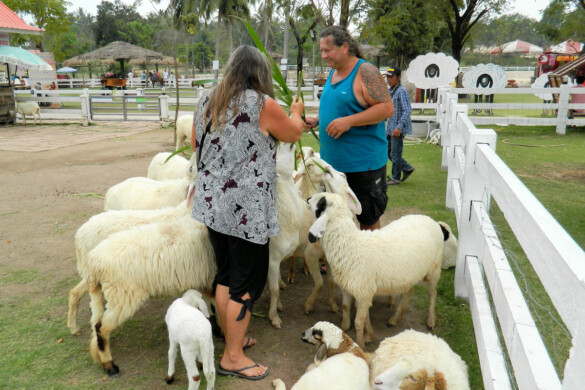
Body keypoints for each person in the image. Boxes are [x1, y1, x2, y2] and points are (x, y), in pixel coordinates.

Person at [190, 45, 305, 381]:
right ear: (261, 72)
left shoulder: (206, 98)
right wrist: (296, 111)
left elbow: (197, 141)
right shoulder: (262, 104)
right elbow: (293, 133)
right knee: (246, 283)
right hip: (246, 211)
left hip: (212, 205)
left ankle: (232, 341)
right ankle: (233, 357)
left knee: (226, 275)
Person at [305, 25, 394, 231]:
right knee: (335, 217)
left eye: (327, 50)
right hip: (334, 166)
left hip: (363, 165)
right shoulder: (334, 72)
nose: (323, 55)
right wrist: (318, 120)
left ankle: (369, 260)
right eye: (321, 51)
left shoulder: (366, 72)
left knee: (368, 217)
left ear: (344, 47)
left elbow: (387, 109)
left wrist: (349, 121)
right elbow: (342, 105)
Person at [385, 66, 415, 185]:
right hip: (391, 127)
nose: (389, 79)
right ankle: (407, 168)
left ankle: (395, 178)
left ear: (398, 77)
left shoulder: (401, 91)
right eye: (387, 76)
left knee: (395, 153)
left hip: (397, 128)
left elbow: (407, 110)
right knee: (388, 152)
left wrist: (399, 127)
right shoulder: (391, 91)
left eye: (391, 76)